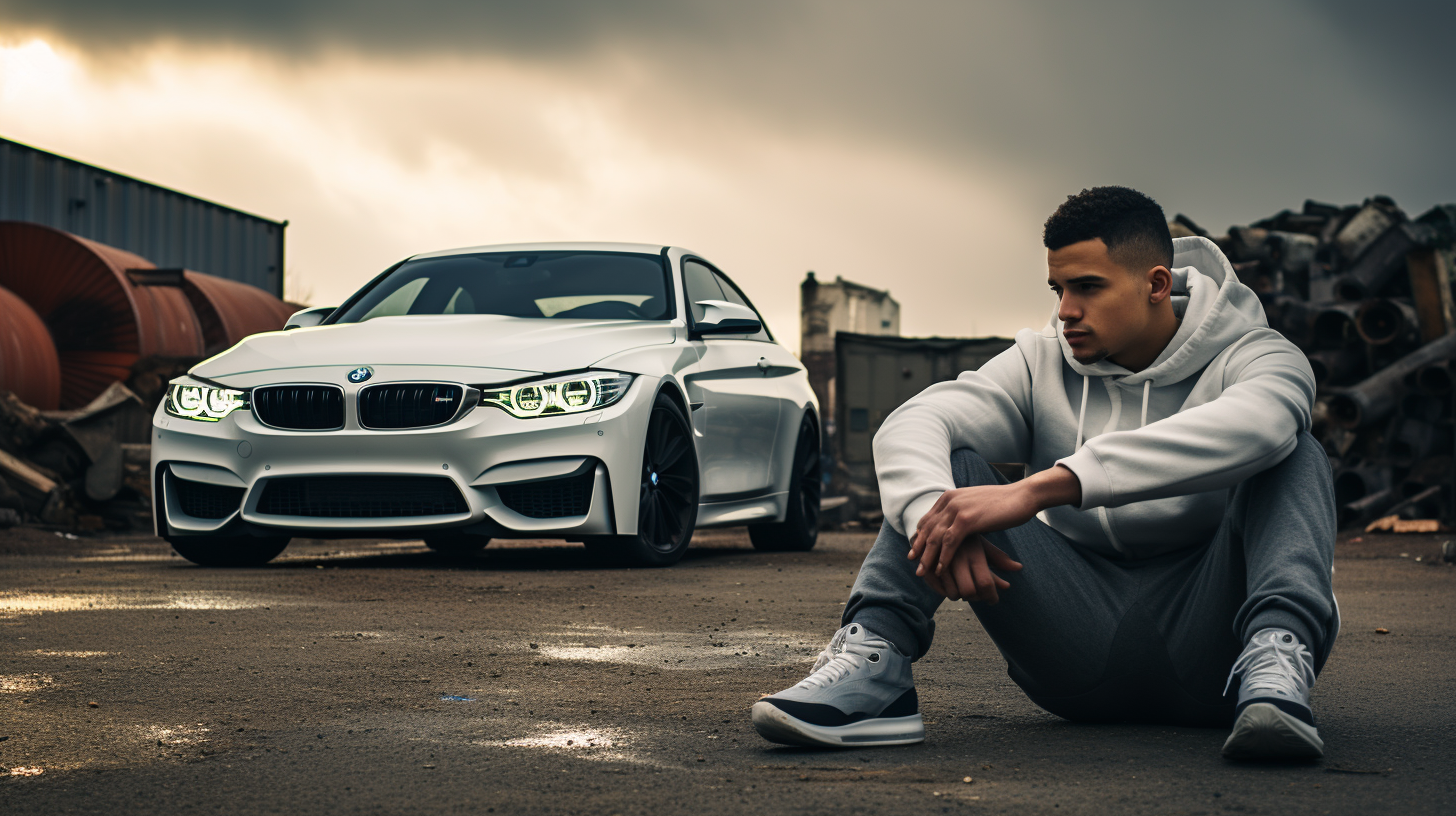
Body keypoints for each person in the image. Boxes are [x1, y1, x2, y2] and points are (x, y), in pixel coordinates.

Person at [750, 186, 1338, 760]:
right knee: (950, 473)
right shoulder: (1043, 360)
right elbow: (914, 420)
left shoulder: (1258, 355)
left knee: (1293, 452)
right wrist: (938, 518)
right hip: (1071, 644)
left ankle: (1275, 662)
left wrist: (1040, 489)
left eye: (1088, 288)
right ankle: (876, 664)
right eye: (1058, 288)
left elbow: (1262, 422)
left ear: (1156, 284)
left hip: (1215, 650)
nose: (1065, 311)